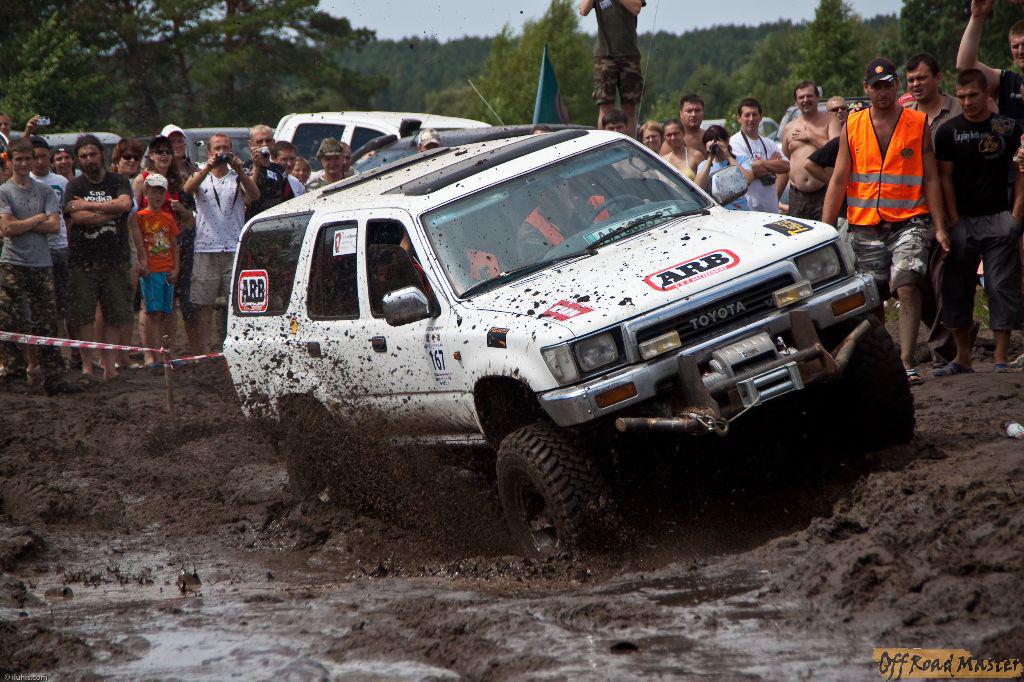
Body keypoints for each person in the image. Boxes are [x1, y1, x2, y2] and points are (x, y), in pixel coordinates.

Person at [823, 58, 950, 385]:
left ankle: (907, 361)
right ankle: (886, 362)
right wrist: (825, 229)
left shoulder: (917, 122)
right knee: (873, 295)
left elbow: (931, 178)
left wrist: (939, 226)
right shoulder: (853, 125)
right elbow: (839, 178)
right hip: (865, 224)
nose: (883, 92)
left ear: (897, 85)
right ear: (866, 88)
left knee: (907, 284)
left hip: (908, 220)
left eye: (888, 85)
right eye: (876, 86)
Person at [933, 69, 1023, 376]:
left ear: (986, 94)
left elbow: (1021, 169)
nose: (967, 102)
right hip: (963, 221)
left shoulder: (1006, 127)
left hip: (999, 217)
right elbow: (943, 178)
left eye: (973, 95)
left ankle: (1000, 358)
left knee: (1000, 287)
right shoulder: (948, 131)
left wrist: (1016, 215)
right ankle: (963, 358)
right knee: (956, 288)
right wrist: (952, 220)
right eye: (961, 97)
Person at [0, 138, 80, 394]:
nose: (24, 164)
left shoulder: (45, 191)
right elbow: (7, 228)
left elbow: (54, 226)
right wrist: (36, 219)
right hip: (12, 262)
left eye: (28, 158)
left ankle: (54, 376)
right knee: (8, 319)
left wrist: (20, 223)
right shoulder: (4, 191)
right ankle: (13, 375)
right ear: (10, 161)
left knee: (47, 322)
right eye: (19, 159)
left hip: (41, 262)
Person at [64, 135, 144, 382]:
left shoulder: (118, 180)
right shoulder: (74, 185)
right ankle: (88, 365)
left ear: (101, 154)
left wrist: (89, 205)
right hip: (83, 261)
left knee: (115, 315)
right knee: (83, 316)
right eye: (83, 156)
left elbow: (125, 205)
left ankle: (109, 366)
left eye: (93, 154)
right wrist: (110, 211)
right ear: (78, 160)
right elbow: (78, 217)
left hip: (115, 259)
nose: (89, 159)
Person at [182, 133, 259, 353]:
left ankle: (233, 349)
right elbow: (186, 190)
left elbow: (254, 195)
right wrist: (208, 166)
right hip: (205, 247)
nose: (222, 152)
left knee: (235, 304)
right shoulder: (201, 174)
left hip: (233, 248)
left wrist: (240, 170)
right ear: (209, 152)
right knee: (204, 305)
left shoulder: (237, 176)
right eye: (217, 148)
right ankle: (206, 351)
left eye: (226, 148)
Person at [133, 135, 196, 357]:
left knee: (170, 305)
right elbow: (132, 217)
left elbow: (190, 220)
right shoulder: (142, 180)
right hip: (147, 249)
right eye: (159, 151)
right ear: (151, 155)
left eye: (168, 151)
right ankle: (150, 353)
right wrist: (140, 256)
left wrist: (180, 209)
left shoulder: (177, 180)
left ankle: (166, 352)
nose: (164, 155)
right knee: (149, 306)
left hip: (172, 245)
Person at [579, 0, 645, 134]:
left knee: (630, 107)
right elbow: (583, 10)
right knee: (605, 106)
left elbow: (636, 8)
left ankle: (629, 142)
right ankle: (603, 143)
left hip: (629, 55)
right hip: (604, 56)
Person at [135, 173, 181, 367]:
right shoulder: (139, 217)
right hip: (151, 271)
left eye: (161, 192)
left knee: (166, 314)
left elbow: (175, 245)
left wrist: (176, 268)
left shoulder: (168, 218)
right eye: (153, 191)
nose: (157, 196)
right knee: (152, 313)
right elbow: (136, 243)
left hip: (167, 270)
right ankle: (152, 354)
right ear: (146, 192)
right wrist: (142, 264)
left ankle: (164, 354)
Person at [28, 137, 71, 340]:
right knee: (41, 302)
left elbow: (68, 215)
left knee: (67, 301)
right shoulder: (25, 181)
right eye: (35, 157)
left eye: (44, 156)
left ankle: (73, 351)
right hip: (35, 248)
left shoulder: (61, 182)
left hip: (61, 245)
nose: (40, 161)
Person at [957, 0, 1024, 125]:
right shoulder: (1009, 81)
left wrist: (996, 119)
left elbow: (1006, 131)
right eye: (1015, 46)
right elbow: (965, 67)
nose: (1020, 51)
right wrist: (977, 17)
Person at [781, 82, 834, 220]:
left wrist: (811, 136)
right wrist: (775, 197)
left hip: (825, 192)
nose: (805, 100)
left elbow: (837, 150)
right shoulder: (789, 127)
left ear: (817, 97)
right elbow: (785, 162)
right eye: (801, 97)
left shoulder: (830, 121)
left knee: (826, 232)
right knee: (798, 233)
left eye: (809, 96)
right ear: (796, 101)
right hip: (797, 196)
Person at [730, 98, 789, 214]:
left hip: (771, 209)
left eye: (754, 114)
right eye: (747, 115)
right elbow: (744, 174)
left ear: (760, 118)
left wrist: (762, 163)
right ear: (739, 118)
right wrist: (772, 165)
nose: (751, 119)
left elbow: (786, 166)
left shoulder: (769, 143)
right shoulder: (734, 143)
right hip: (748, 211)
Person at [695, 125, 753, 211]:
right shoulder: (704, 165)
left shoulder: (741, 159)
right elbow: (698, 188)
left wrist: (728, 157)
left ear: (727, 141)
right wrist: (710, 158)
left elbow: (748, 180)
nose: (715, 144)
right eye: (710, 140)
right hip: (718, 212)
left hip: (741, 211)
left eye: (718, 140)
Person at [242, 124, 292, 222]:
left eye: (268, 141)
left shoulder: (279, 169)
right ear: (251, 144)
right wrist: (256, 166)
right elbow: (248, 198)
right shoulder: (245, 168)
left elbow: (288, 198)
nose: (264, 145)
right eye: (259, 142)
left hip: (277, 220)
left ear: (273, 143)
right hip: (255, 222)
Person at [906, 54, 963, 138]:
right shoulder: (905, 118)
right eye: (911, 80)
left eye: (921, 78)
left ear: (937, 78)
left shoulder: (961, 108)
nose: (915, 84)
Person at [661, 94, 707, 165]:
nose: (693, 114)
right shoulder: (671, 142)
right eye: (689, 111)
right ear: (681, 113)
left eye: (697, 110)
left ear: (703, 112)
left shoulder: (709, 137)